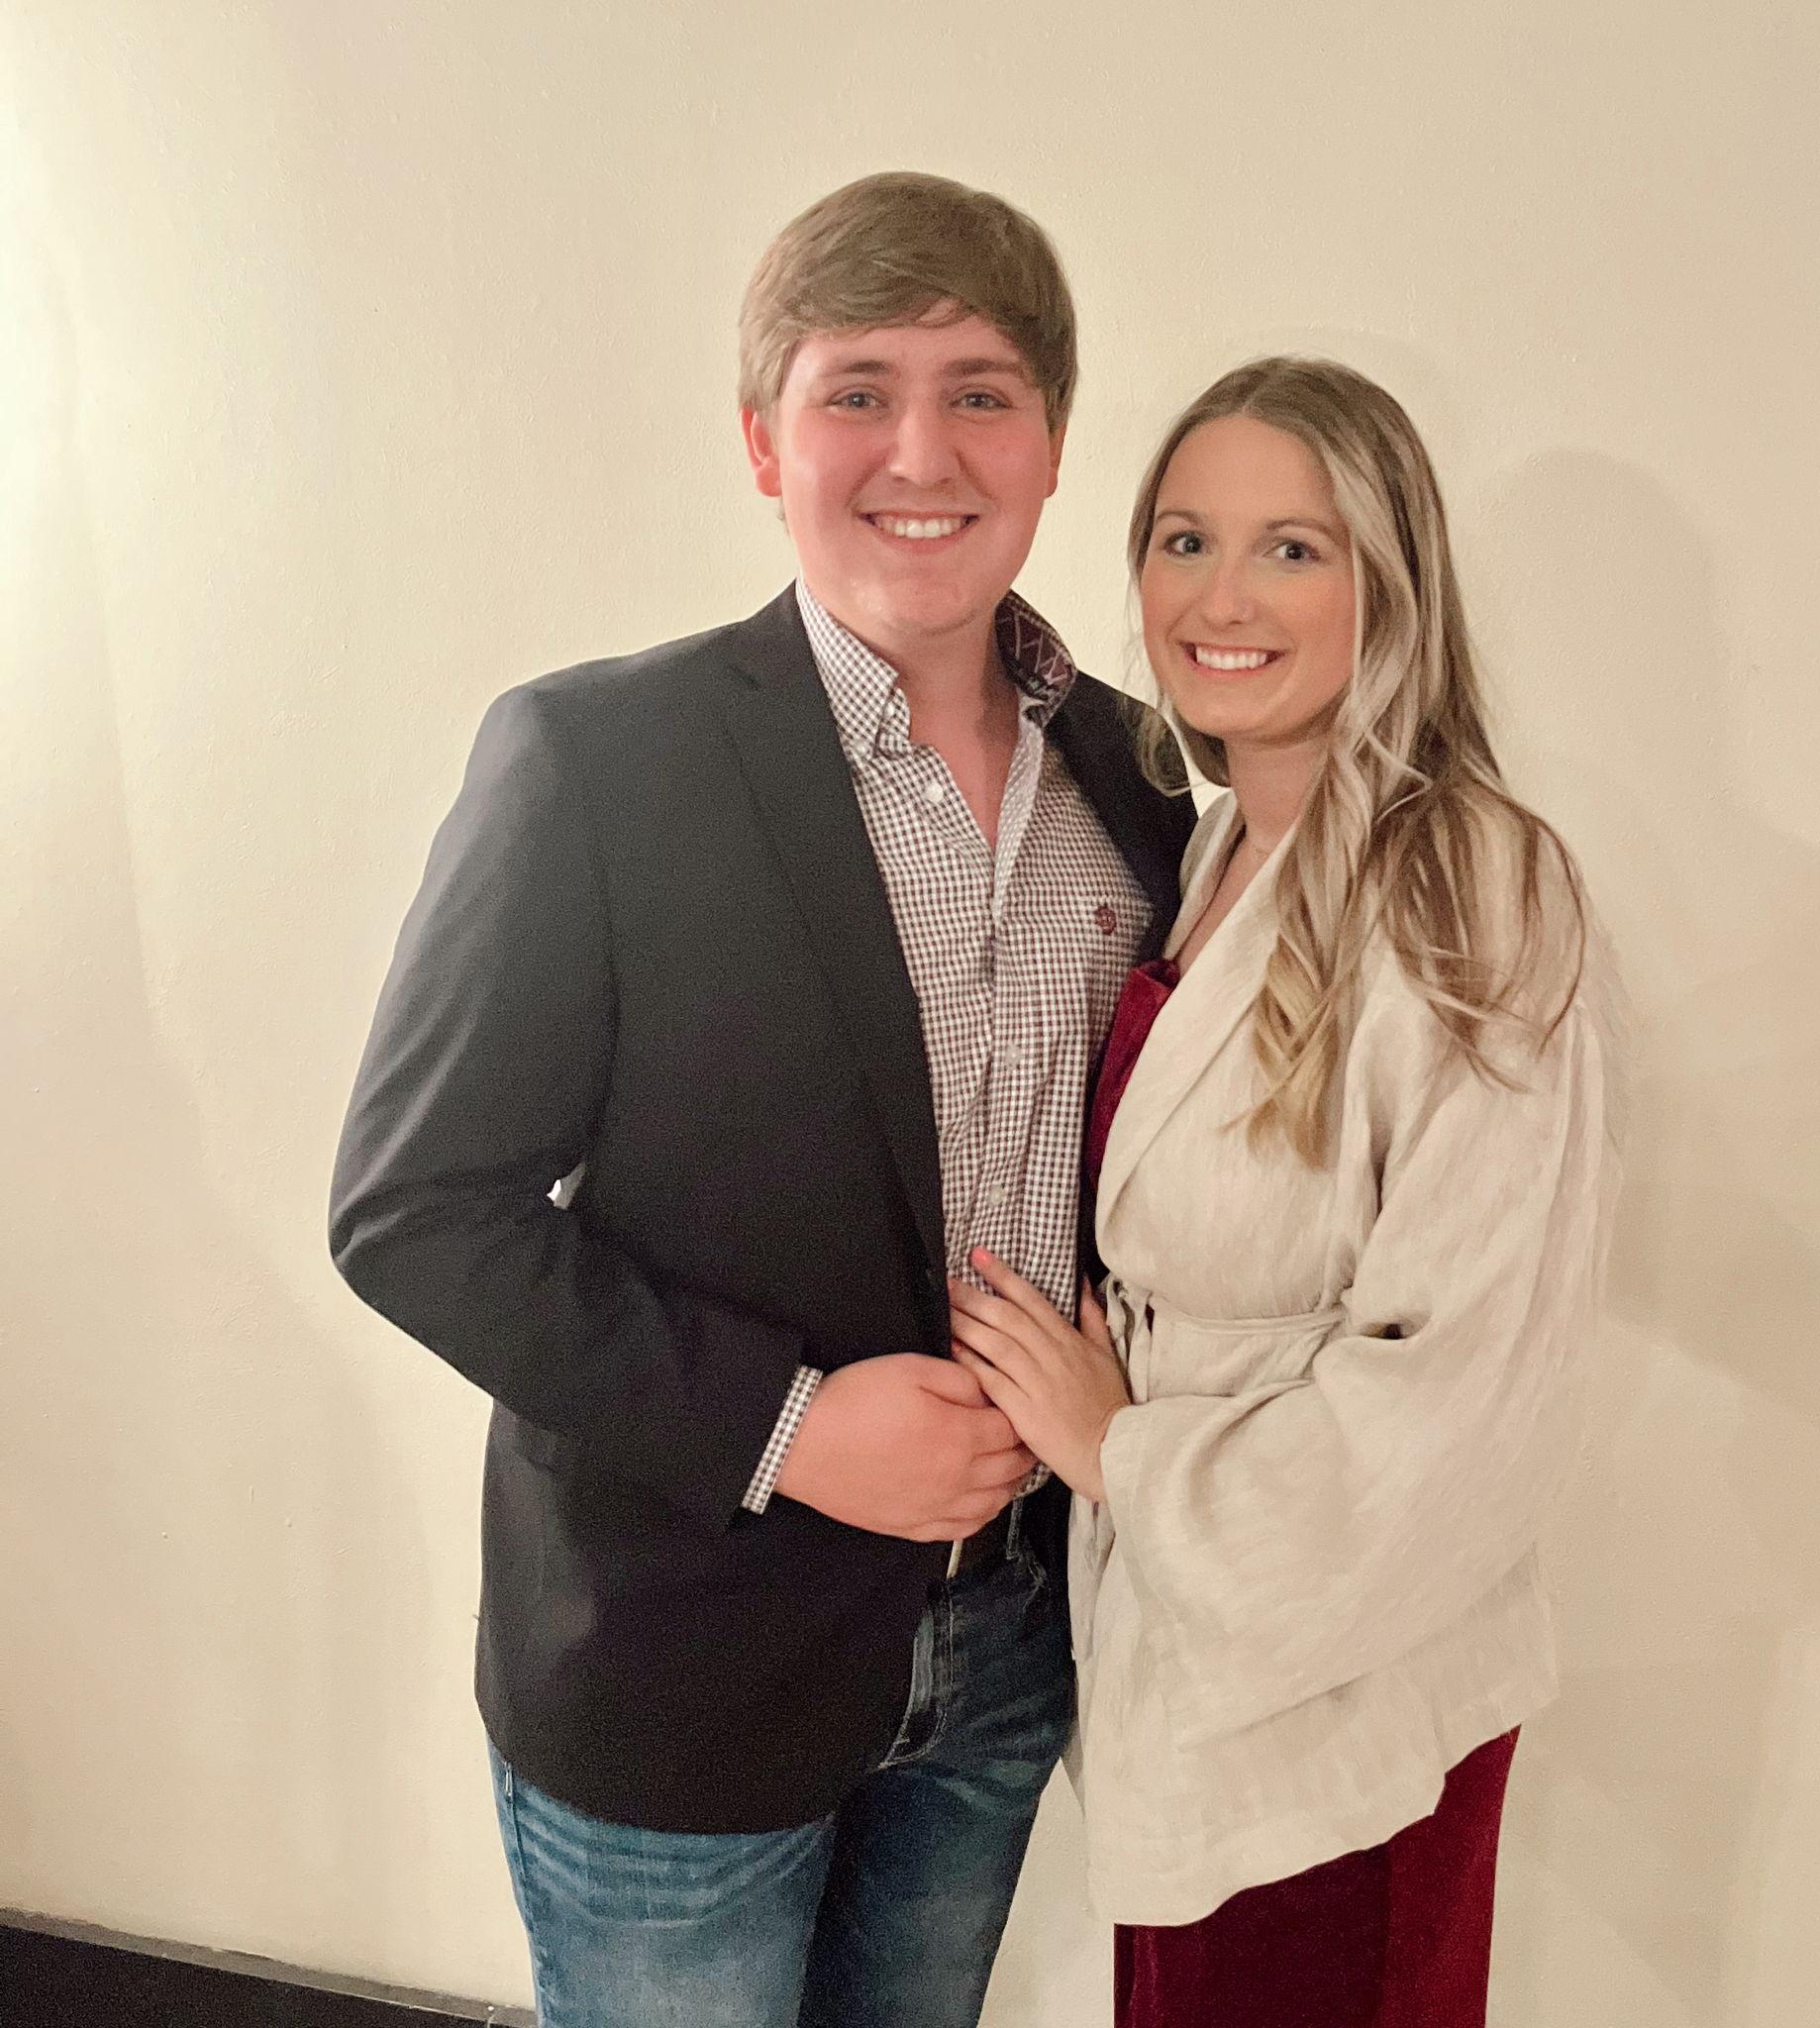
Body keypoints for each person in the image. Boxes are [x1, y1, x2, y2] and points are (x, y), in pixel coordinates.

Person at [329, 171, 1192, 2028]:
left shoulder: (1141, 782)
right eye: (855, 390)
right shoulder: (595, 760)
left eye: (979, 392)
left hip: (1013, 1642)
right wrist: (789, 1428)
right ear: (760, 443)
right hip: (678, 1655)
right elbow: (414, 1213)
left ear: (1052, 445)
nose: (920, 451)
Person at [946, 356, 1618, 2027]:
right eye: (1185, 540)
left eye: (1291, 549)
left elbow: (1471, 1385)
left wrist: (1121, 1452)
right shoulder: (1207, 852)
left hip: (1344, 1692)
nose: (1221, 598)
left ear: (1391, 585)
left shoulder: (1473, 884)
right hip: (1179, 1659)